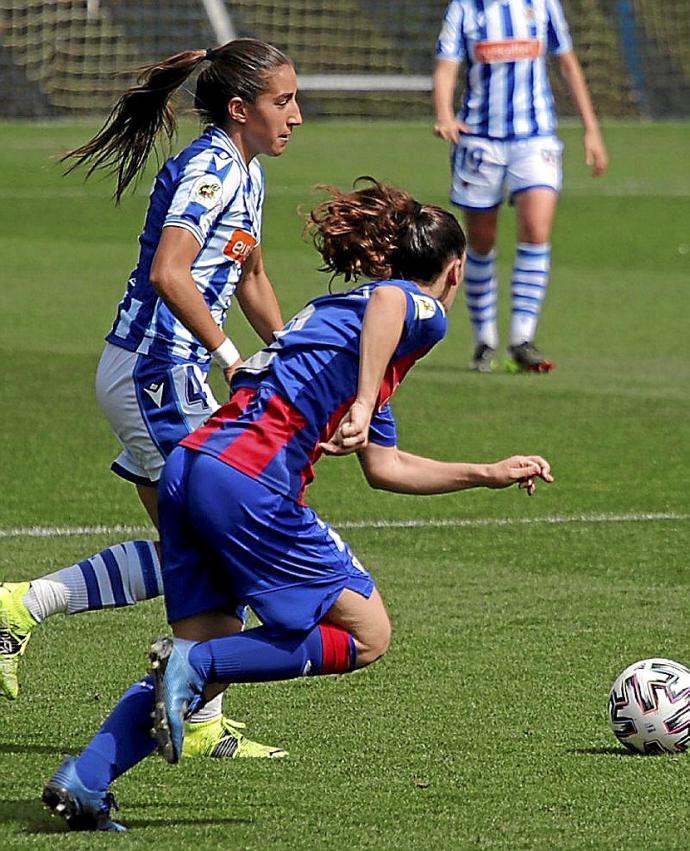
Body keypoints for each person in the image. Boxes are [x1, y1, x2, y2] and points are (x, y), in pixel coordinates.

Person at [41, 178, 554, 832]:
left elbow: (385, 467)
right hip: (248, 481)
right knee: (368, 634)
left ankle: (85, 777)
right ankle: (190, 662)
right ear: (455, 270)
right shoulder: (416, 308)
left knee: (220, 654)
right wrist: (366, 402)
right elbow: (398, 304)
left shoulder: (342, 318)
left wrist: (487, 472)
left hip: (192, 469)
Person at [0, 38, 303, 759]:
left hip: (161, 373)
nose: (297, 115)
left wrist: (287, 352)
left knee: (194, 553)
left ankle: (27, 607)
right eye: (283, 100)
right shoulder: (210, 169)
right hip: (159, 372)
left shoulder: (245, 173)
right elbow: (172, 272)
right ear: (240, 108)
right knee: (224, 547)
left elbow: (249, 272)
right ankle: (190, 713)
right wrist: (235, 358)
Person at [433, 0, 608, 373]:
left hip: (535, 138)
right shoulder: (465, 9)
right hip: (480, 139)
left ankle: (521, 338)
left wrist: (591, 129)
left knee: (536, 230)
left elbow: (567, 62)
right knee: (480, 242)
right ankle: (485, 339)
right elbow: (447, 65)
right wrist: (444, 114)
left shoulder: (542, 4)